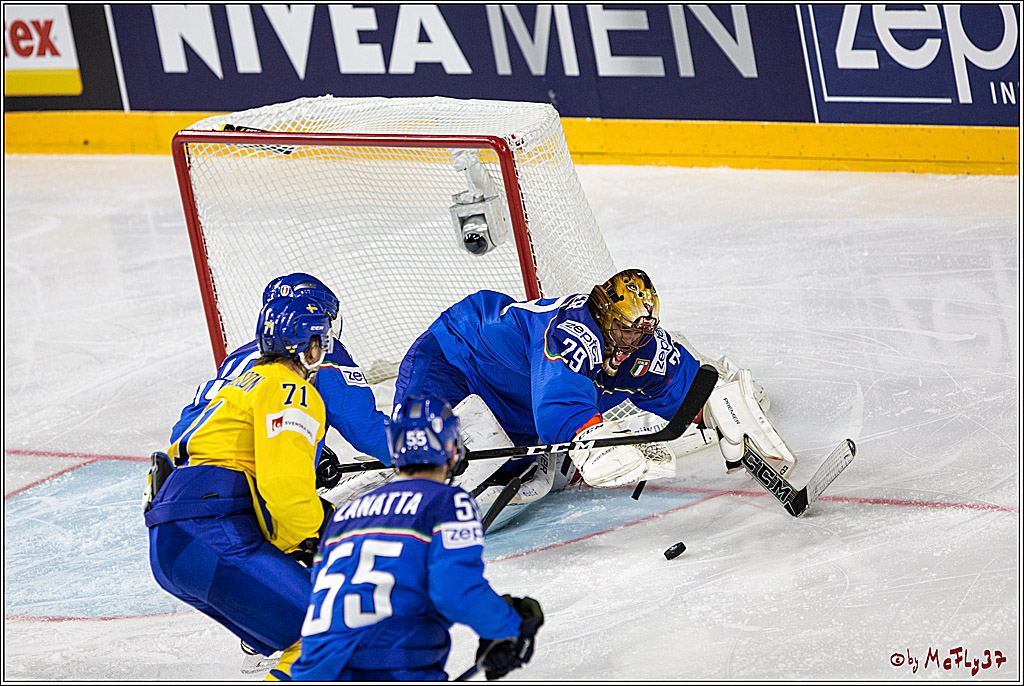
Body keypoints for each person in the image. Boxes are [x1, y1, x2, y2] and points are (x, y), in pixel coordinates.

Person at [392, 268, 795, 526]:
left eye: (641, 332)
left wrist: (714, 408)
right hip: (456, 354)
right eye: (623, 329)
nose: (632, 341)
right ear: (604, 317)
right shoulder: (574, 331)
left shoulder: (643, 342)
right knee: (416, 451)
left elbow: (682, 388)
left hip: (516, 396)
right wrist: (591, 441)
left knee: (512, 474)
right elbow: (558, 404)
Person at [144, 296, 336, 681]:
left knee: (307, 635)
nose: (322, 350)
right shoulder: (290, 388)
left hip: (177, 540)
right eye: (319, 341)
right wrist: (315, 534)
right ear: (302, 345)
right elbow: (282, 486)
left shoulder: (244, 382)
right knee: (326, 630)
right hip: (208, 531)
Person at [289, 395, 544, 681]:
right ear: (451, 446)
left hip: (311, 669)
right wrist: (509, 625)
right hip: (387, 665)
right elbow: (455, 592)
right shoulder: (447, 502)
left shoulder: (344, 514)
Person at [169, 272, 391, 471]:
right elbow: (368, 432)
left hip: (177, 481)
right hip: (237, 494)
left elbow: (190, 426)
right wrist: (420, 446)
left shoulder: (237, 356)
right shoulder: (320, 354)